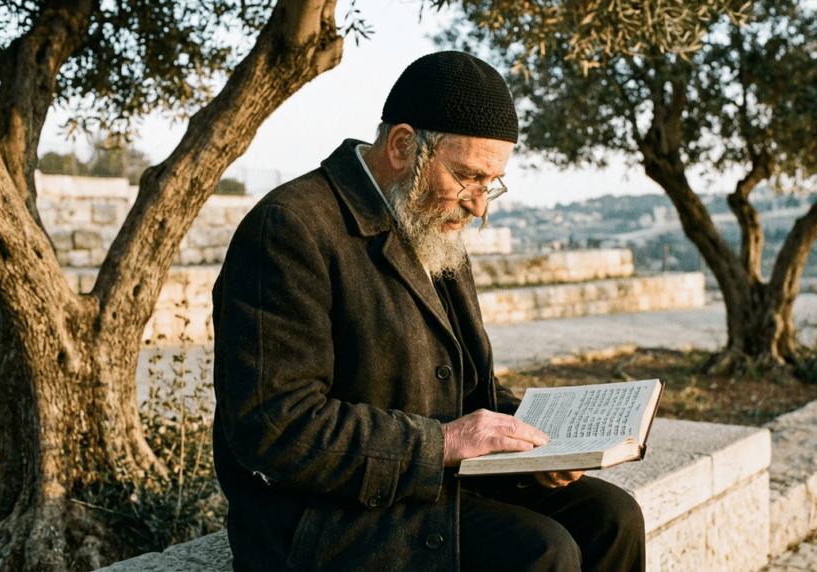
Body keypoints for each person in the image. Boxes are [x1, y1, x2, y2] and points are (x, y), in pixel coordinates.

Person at [212, 51, 645, 571]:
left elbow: (464, 392)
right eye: (468, 177)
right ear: (402, 146)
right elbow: (276, 427)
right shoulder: (288, 228)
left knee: (613, 518)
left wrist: (538, 446)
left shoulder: (426, 217)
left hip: (428, 483)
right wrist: (443, 442)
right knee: (541, 551)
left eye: (491, 183)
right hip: (324, 516)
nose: (480, 204)